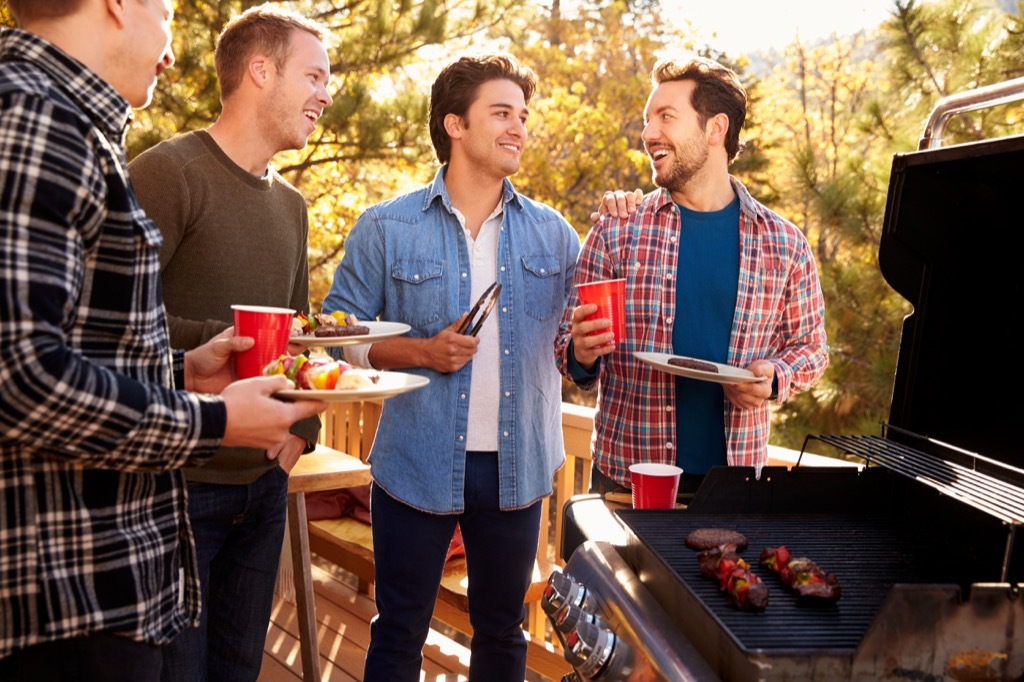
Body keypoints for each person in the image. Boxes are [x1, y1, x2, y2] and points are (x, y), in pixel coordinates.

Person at [0, 2, 324, 680]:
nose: (172, 52)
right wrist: (216, 418)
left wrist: (180, 371)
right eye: (168, 14)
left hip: (112, 572)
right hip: (69, 592)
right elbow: (21, 376)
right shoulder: (38, 121)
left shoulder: (73, 128)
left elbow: (79, 340)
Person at [322, 53, 580, 681]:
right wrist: (420, 352)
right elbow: (334, 337)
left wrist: (589, 352)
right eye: (501, 113)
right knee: (399, 629)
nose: (518, 126)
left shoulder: (555, 235)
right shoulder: (387, 226)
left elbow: (577, 353)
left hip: (517, 473)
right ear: (455, 124)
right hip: (416, 460)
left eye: (522, 114)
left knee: (502, 634)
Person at [126, 5, 332, 681]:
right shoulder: (167, 172)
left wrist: (303, 430)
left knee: (239, 670)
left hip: (263, 489)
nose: (325, 94)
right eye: (314, 74)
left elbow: (297, 333)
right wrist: (222, 342)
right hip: (175, 490)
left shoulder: (293, 206)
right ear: (260, 69)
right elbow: (116, 326)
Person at [556, 56, 828, 497]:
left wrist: (774, 376)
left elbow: (812, 348)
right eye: (647, 120)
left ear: (715, 129)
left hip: (733, 489)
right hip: (626, 482)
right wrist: (582, 353)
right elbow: (566, 351)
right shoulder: (616, 229)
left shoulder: (785, 243)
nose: (648, 134)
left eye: (666, 117)